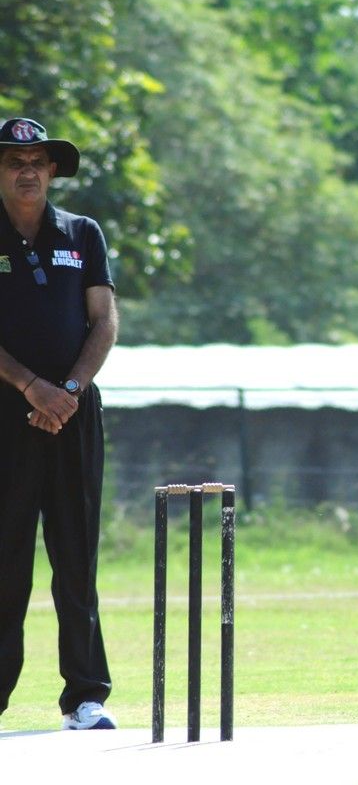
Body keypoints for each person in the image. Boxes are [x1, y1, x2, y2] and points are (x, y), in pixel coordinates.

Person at [0, 118, 120, 729]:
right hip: (7, 412)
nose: (27, 171)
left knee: (76, 557)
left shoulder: (82, 232)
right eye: (14, 161)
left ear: (51, 171)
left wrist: (68, 391)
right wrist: (31, 386)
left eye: (37, 162)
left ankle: (85, 697)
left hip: (72, 413)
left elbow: (104, 320)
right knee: (6, 560)